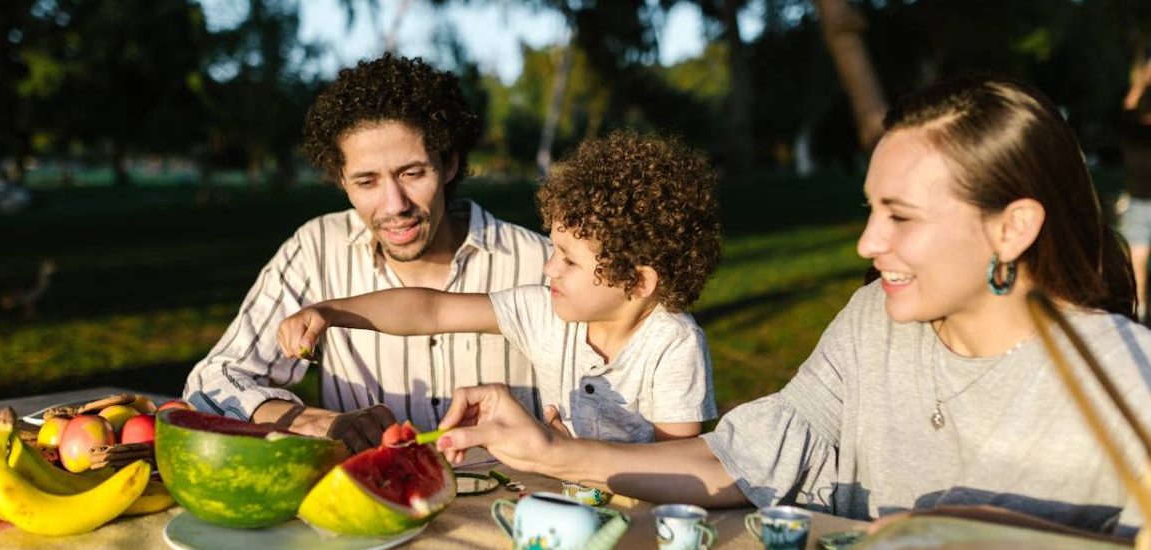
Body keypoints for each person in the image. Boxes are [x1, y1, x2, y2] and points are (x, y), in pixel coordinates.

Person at [433, 75, 1151, 538]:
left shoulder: (1128, 379)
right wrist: (554, 454)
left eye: (901, 217)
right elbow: (749, 456)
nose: (869, 242)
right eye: (871, 210)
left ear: (1013, 227)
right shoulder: (874, 322)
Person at [181, 55, 552, 450]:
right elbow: (212, 384)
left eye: (412, 173)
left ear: (448, 164)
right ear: (342, 180)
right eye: (367, 181)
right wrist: (318, 422)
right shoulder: (316, 250)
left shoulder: (539, 264)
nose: (394, 205)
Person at [278, 131, 723, 443]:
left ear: (639, 281)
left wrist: (571, 457)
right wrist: (330, 313)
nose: (549, 268)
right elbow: (429, 311)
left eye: (568, 260)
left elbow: (677, 462)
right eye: (553, 249)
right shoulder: (545, 312)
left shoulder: (673, 345)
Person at [1119, 55, 1151, 323]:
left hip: (1138, 203)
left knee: (1137, 262)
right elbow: (1127, 110)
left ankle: (1140, 313)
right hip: (1139, 204)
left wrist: (1142, 81)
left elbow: (1127, 108)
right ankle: (1140, 312)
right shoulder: (1132, 132)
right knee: (1137, 262)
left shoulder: (1131, 134)